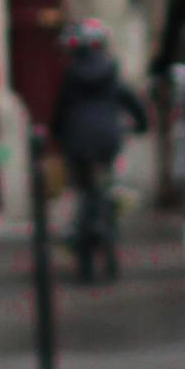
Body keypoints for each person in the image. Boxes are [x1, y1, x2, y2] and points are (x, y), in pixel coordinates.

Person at [47, 17, 148, 282]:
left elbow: (59, 111)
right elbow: (132, 102)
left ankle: (82, 239)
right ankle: (105, 231)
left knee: (83, 190)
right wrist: (141, 125)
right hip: (107, 140)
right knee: (103, 187)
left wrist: (54, 135)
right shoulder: (111, 72)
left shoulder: (71, 76)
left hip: (77, 142)